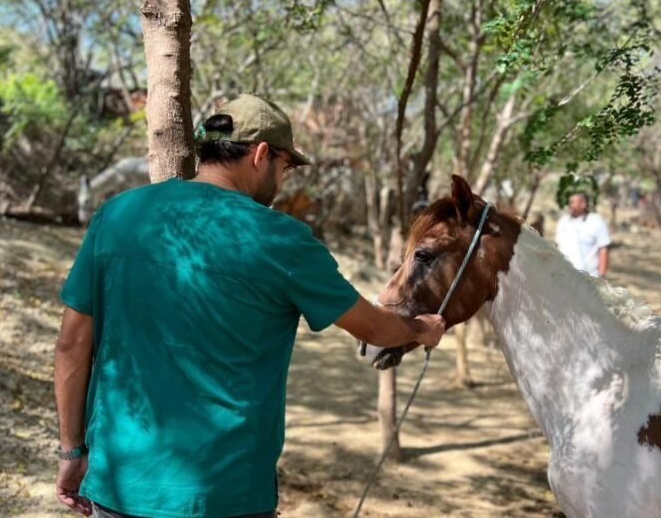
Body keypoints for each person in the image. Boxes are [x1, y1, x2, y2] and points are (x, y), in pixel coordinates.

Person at [53, 93, 446, 518]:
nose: (285, 179)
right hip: (225, 494)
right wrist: (420, 329)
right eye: (287, 165)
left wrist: (71, 449)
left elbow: (72, 344)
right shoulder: (282, 240)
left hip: (119, 488)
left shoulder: (118, 215)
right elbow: (374, 328)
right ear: (261, 154)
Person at [554, 191, 611, 278]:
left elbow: (603, 250)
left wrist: (602, 275)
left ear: (583, 204)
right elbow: (557, 247)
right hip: (563, 275)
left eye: (573, 202)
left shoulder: (596, 221)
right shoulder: (563, 222)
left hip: (589, 277)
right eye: (569, 202)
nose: (570, 205)